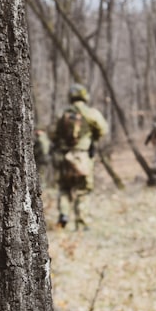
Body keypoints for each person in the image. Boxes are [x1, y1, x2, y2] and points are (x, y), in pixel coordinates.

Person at [51, 84, 109, 230]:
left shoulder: (61, 114)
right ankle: (82, 223)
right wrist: (91, 137)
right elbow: (103, 129)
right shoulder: (91, 113)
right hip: (82, 157)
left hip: (64, 157)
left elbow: (52, 133)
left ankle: (63, 214)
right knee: (83, 190)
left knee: (64, 188)